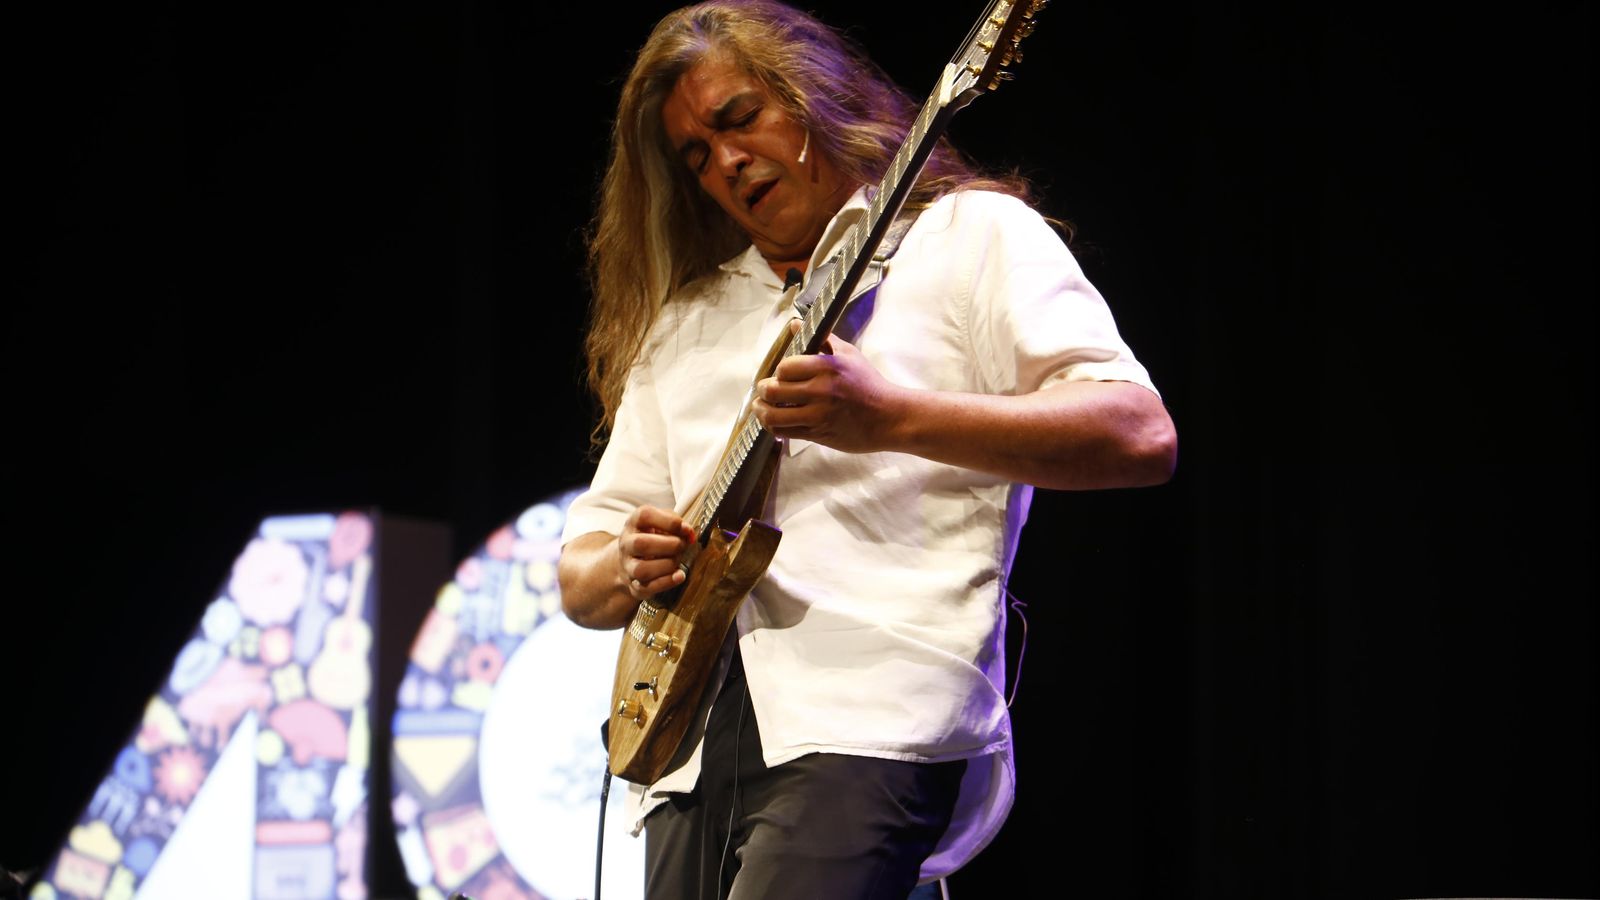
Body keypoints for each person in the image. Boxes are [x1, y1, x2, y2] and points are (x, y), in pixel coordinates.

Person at [557, 2, 1177, 898]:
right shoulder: (687, 326)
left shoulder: (968, 238)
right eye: (698, 155)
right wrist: (625, 559)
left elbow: (1137, 434)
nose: (727, 164)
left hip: (871, 710)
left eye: (741, 120)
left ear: (813, 96)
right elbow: (581, 574)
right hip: (691, 744)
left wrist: (889, 418)